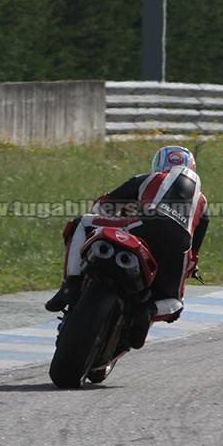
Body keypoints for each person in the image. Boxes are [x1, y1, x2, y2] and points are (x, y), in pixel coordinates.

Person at [45, 145, 209, 348]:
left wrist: (120, 216)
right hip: (179, 247)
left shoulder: (148, 179)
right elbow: (193, 255)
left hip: (144, 227)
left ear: (159, 165)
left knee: (81, 222)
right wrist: (186, 273)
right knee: (176, 304)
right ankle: (148, 311)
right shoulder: (202, 202)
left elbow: (102, 206)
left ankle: (70, 284)